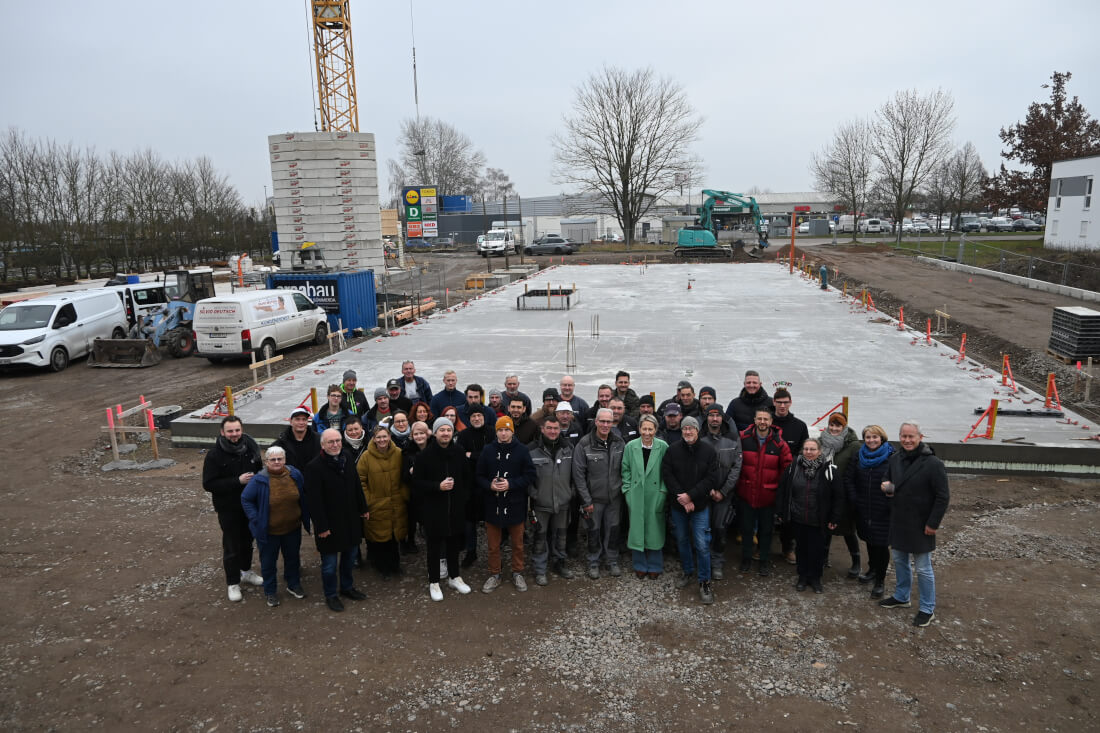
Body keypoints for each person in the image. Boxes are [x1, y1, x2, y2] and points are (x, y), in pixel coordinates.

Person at [879, 421, 950, 628]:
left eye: (911, 436)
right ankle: (902, 596)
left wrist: (933, 523)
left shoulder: (933, 464)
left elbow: (942, 496)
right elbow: (889, 481)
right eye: (903, 436)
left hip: (922, 523)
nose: (907, 440)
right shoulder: (895, 459)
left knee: (923, 568)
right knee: (900, 560)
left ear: (920, 437)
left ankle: (928, 608)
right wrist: (887, 487)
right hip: (899, 520)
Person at [303, 429, 370, 613]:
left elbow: (356, 483)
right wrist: (321, 527)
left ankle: (347, 587)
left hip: (350, 520)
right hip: (329, 524)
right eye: (330, 442)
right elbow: (314, 501)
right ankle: (331, 594)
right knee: (329, 565)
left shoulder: (346, 457)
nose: (335, 445)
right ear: (323, 445)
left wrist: (363, 508)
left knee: (349, 559)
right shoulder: (313, 467)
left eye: (338, 441)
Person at [202, 416, 265, 602]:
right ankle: (233, 582)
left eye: (237, 430)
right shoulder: (214, 455)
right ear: (222, 432)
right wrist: (236, 481)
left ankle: (246, 571)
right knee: (231, 545)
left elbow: (260, 470)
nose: (234, 434)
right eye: (230, 431)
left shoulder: (250, 448)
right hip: (229, 508)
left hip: (250, 506)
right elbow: (208, 483)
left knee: (247, 541)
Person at [412, 418, 474, 601]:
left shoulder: (459, 452)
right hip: (434, 508)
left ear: (452, 432)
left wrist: (463, 497)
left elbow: (467, 477)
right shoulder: (425, 456)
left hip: (455, 507)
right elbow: (416, 483)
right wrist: (437, 486)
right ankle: (434, 581)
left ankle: (455, 577)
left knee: (454, 544)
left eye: (448, 430)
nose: (445, 433)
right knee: (434, 546)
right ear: (435, 433)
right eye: (441, 430)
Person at [241, 446, 310, 607]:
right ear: (266, 462)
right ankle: (270, 591)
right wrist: (255, 518)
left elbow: (303, 493)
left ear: (285, 460)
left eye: (280, 459)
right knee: (268, 563)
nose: (277, 462)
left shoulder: (295, 475)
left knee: (293, 558)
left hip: (292, 528)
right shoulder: (260, 480)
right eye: (273, 459)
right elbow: (246, 498)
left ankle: (293, 585)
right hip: (268, 531)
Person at [661, 416, 719, 604]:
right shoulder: (672, 450)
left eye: (691, 428)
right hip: (679, 505)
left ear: (697, 430)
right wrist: (682, 497)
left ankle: (704, 581)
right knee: (682, 540)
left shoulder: (709, 451)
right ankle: (687, 571)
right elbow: (667, 475)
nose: (687, 431)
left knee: (702, 544)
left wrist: (691, 496)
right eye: (685, 428)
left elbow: (711, 479)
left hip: (700, 505)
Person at [476, 416, 536, 592]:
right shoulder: (487, 450)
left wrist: (511, 484)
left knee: (517, 543)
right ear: (496, 432)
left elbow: (530, 475)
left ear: (512, 431)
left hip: (515, 503)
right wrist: (490, 485)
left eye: (506, 430)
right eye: (500, 430)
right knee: (493, 544)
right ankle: (494, 573)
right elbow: (479, 476)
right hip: (492, 503)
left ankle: (518, 572)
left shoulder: (522, 450)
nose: (503, 433)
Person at [776, 438, 841, 593]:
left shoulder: (829, 469)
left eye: (812, 449)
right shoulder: (793, 467)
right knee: (801, 548)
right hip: (798, 517)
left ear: (819, 451)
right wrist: (781, 511)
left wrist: (834, 517)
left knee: (817, 550)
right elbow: (782, 489)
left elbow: (838, 496)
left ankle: (816, 578)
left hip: (819, 518)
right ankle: (802, 576)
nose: (809, 452)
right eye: (806, 449)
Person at [735, 408, 793, 577]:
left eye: (765, 419)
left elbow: (786, 469)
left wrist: (778, 490)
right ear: (754, 420)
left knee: (766, 531)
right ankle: (746, 558)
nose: (762, 422)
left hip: (768, 496)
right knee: (746, 529)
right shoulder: (743, 438)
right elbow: (735, 463)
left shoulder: (779, 444)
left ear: (771, 422)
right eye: (759, 418)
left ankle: (764, 560)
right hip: (746, 493)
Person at [572, 407, 626, 579]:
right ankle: (593, 562)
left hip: (615, 498)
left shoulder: (619, 443)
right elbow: (578, 475)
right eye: (602, 421)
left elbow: (626, 469)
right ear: (595, 422)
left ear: (613, 423)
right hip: (593, 499)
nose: (605, 424)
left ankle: (612, 561)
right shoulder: (584, 444)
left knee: (613, 530)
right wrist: (586, 501)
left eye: (608, 421)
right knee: (593, 531)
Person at [845, 424, 895, 599]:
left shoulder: (892, 457)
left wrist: (890, 490)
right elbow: (849, 479)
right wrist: (854, 499)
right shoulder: (858, 456)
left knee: (881, 544)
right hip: (863, 507)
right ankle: (872, 569)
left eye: (875, 437)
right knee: (869, 540)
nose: (872, 440)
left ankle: (880, 580)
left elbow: (900, 481)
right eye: (868, 437)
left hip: (883, 509)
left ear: (882, 438)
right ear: (864, 439)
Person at [527, 416, 575, 585]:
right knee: (539, 537)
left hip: (563, 502)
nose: (553, 432)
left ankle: (559, 564)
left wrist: (570, 492)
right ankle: (540, 569)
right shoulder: (531, 450)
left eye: (556, 429)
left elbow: (576, 475)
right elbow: (526, 477)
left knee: (561, 536)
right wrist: (534, 494)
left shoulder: (569, 448)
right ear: (542, 429)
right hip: (541, 504)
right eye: (549, 428)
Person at [357, 425, 408, 579]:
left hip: (396, 502)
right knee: (380, 538)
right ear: (373, 439)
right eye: (378, 437)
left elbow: (405, 476)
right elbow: (360, 481)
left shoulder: (399, 453)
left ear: (390, 437)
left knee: (394, 537)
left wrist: (403, 495)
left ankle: (395, 565)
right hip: (376, 504)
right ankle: (383, 567)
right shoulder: (366, 457)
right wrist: (369, 500)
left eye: (384, 436)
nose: (382, 440)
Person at [621, 414, 668, 579]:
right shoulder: (630, 446)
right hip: (636, 493)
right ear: (639, 429)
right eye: (644, 428)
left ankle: (655, 565)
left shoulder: (663, 446)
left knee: (655, 528)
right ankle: (639, 564)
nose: (647, 432)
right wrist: (627, 490)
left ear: (655, 429)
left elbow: (667, 473)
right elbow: (625, 469)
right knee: (636, 528)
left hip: (655, 494)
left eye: (650, 429)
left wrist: (663, 492)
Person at [700, 404, 743, 580]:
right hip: (703, 493)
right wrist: (708, 489)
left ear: (723, 418)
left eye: (718, 415)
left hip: (724, 495)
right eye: (711, 415)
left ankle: (717, 561)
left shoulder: (733, 438)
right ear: (707, 418)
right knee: (702, 529)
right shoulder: (700, 437)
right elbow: (696, 467)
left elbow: (736, 467)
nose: (715, 419)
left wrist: (723, 491)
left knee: (719, 528)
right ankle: (703, 561)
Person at [819, 412, 862, 579]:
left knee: (848, 530)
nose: (834, 428)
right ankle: (823, 559)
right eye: (831, 425)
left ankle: (856, 561)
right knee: (825, 527)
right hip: (826, 492)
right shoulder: (822, 441)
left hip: (845, 494)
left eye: (838, 425)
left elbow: (857, 471)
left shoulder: (853, 446)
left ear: (844, 427)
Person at [770, 388, 808, 565]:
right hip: (767, 474)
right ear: (774, 403)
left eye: (785, 402)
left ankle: (788, 548)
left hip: (790, 477)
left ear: (790, 403)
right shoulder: (766, 423)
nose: (782, 405)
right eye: (779, 402)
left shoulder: (799, 426)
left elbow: (804, 452)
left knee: (788, 515)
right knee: (765, 512)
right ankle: (762, 546)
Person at [456, 407, 494, 568]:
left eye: (479, 415)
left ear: (484, 417)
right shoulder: (463, 435)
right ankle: (471, 552)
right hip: (469, 484)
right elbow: (461, 457)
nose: (476, 418)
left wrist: (473, 455)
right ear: (469, 418)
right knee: (469, 522)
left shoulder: (492, 433)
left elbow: (493, 456)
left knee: (491, 521)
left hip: (489, 484)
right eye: (473, 416)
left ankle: (494, 553)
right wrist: (479, 456)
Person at [400, 420, 432, 555]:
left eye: (422, 433)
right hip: (414, 491)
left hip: (431, 490)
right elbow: (403, 477)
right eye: (416, 434)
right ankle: (411, 541)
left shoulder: (434, 448)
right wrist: (411, 471)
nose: (419, 436)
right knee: (412, 519)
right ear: (412, 435)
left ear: (427, 434)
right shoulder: (407, 451)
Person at [274, 406, 322, 472]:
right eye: (297, 419)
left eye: (304, 419)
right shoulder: (281, 443)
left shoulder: (318, 440)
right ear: (291, 422)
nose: (301, 423)